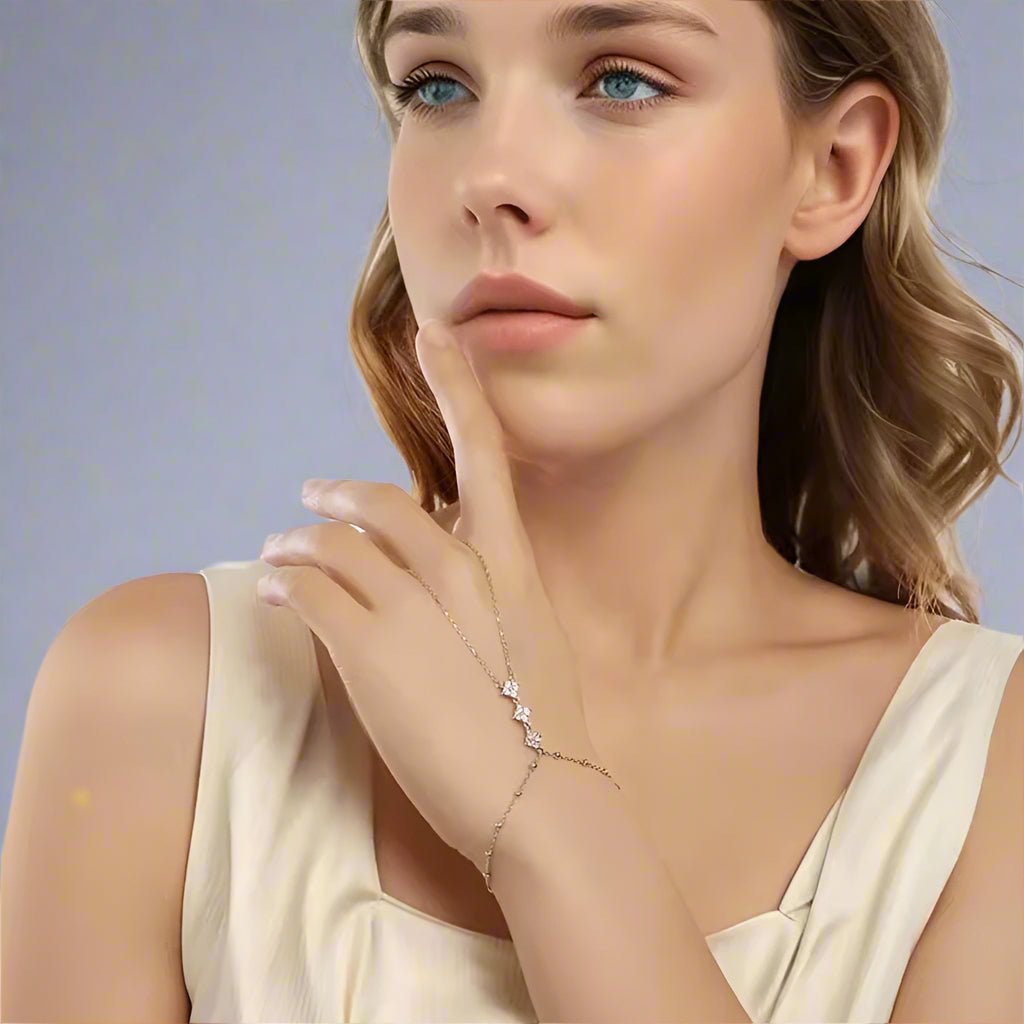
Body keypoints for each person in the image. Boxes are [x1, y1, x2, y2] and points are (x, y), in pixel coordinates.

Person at [3, 1, 1022, 1022]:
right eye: (437, 85)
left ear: (835, 168)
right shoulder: (161, 701)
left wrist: (543, 816)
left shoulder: (985, 770)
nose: (491, 179)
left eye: (623, 80)